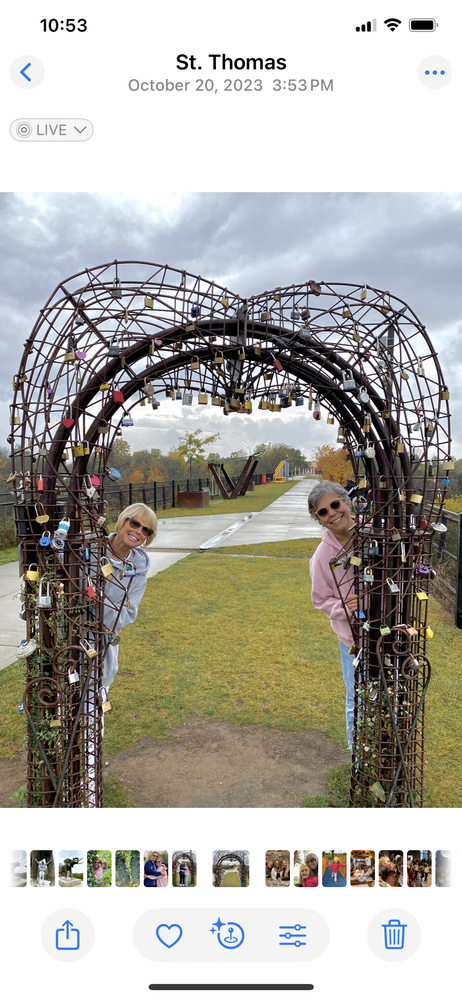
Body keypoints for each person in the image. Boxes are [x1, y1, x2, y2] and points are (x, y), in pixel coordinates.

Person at [308, 482, 358, 752]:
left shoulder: (376, 534)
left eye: (335, 505)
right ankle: (360, 760)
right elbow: (320, 600)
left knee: (394, 693)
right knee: (357, 698)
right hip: (353, 641)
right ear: (319, 520)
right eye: (323, 512)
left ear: (346, 503)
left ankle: (390, 754)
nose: (332, 513)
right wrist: (344, 607)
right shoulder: (322, 557)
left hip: (391, 632)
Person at [100, 503, 157, 701]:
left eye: (146, 530)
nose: (138, 531)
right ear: (123, 520)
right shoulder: (90, 549)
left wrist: (95, 605)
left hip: (102, 652)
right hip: (68, 644)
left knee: (92, 713)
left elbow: (128, 613)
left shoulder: (138, 570)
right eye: (134, 523)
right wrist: (110, 611)